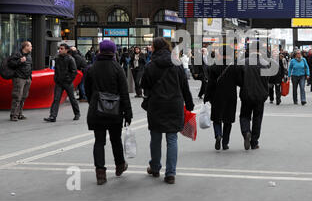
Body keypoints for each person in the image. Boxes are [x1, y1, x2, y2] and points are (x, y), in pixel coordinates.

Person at [140, 37, 194, 184]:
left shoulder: (150, 65)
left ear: (155, 48)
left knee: (156, 137)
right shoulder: (176, 64)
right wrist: (189, 104)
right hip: (174, 104)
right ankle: (170, 173)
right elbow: (184, 86)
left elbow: (143, 84)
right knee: (172, 138)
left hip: (156, 105)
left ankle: (155, 168)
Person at [84, 40, 133, 185]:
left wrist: (93, 102)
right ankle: (119, 166)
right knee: (115, 139)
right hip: (115, 111)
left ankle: (100, 173)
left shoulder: (91, 68)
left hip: (97, 110)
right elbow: (124, 92)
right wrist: (128, 113)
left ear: (100, 50)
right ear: (113, 51)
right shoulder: (117, 68)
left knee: (99, 141)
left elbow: (87, 90)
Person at [204, 49, 240, 150]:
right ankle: (225, 143)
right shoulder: (234, 67)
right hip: (230, 97)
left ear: (220, 55)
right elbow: (240, 82)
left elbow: (210, 84)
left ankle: (218, 135)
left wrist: (206, 97)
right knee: (228, 121)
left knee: (217, 118)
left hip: (217, 96)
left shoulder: (214, 67)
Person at [238, 48, 270, 150]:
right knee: (257, 118)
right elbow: (267, 79)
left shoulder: (243, 63)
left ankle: (246, 132)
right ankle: (254, 142)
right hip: (260, 95)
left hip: (246, 94)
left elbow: (239, 79)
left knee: (244, 116)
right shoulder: (265, 63)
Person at [44, 44, 81, 122]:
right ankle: (52, 116)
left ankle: (77, 114)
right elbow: (56, 70)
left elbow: (74, 72)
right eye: (59, 48)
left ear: (66, 50)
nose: (59, 50)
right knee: (56, 99)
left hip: (68, 83)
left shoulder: (71, 59)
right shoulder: (57, 58)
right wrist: (56, 79)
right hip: (59, 82)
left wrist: (69, 80)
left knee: (72, 99)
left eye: (61, 48)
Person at [8, 41, 33, 121]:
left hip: (27, 78)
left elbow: (30, 66)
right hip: (19, 78)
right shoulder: (17, 54)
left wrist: (30, 78)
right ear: (25, 47)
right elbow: (10, 64)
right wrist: (20, 61)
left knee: (23, 97)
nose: (31, 47)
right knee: (17, 96)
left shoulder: (29, 56)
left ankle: (19, 114)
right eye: (30, 46)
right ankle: (13, 115)